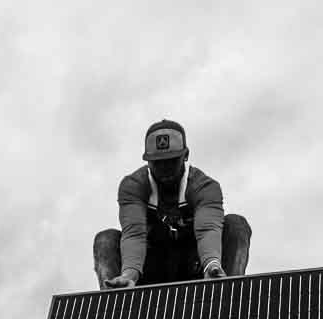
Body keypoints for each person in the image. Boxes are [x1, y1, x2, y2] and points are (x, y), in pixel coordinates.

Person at [93, 120, 252, 289]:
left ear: (186, 155)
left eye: (171, 162)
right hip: (150, 269)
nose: (165, 170)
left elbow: (207, 230)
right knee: (105, 239)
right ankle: (115, 305)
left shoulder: (204, 187)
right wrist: (129, 274)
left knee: (236, 224)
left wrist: (212, 265)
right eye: (158, 163)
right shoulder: (133, 186)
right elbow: (134, 234)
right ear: (148, 161)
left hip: (196, 268)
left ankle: (228, 295)